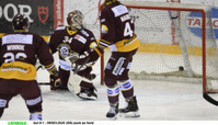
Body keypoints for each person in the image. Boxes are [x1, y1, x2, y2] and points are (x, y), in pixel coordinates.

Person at [0, 13, 61, 120]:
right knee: (35, 108)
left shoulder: (3, 39)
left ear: (13, 25)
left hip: (5, 79)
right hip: (27, 79)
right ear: (27, 25)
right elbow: (47, 60)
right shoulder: (35, 38)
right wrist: (55, 74)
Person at [47, 10, 103, 100]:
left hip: (80, 68)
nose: (80, 21)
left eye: (81, 18)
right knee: (61, 86)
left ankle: (86, 79)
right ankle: (63, 78)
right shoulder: (59, 32)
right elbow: (49, 49)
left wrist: (84, 61)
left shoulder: (88, 34)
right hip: (64, 69)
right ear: (70, 21)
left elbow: (94, 52)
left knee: (81, 87)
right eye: (77, 19)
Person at [99, 0, 140, 119]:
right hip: (132, 44)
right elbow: (131, 26)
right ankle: (132, 105)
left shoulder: (106, 10)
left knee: (110, 77)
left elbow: (108, 36)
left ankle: (113, 107)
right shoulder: (121, 6)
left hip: (122, 50)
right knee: (122, 76)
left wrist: (99, 49)